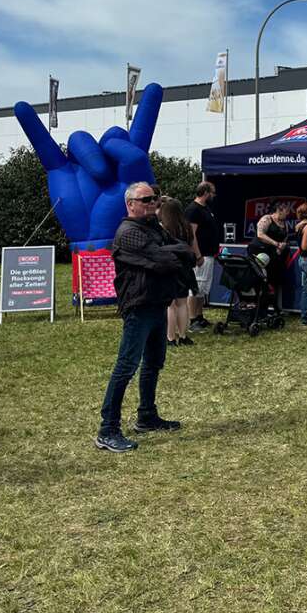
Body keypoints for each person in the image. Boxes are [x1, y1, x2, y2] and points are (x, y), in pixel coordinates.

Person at [97, 182, 193, 453]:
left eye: (155, 199)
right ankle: (107, 429)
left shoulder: (154, 228)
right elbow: (165, 260)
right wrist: (172, 256)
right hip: (139, 307)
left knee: (153, 363)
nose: (152, 203)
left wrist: (172, 255)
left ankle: (146, 416)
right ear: (130, 204)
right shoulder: (128, 232)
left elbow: (183, 250)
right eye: (146, 199)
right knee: (126, 367)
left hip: (158, 304)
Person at [158, 197, 199, 347]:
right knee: (182, 303)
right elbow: (193, 244)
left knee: (170, 305)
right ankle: (183, 336)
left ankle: (170, 338)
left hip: (168, 267)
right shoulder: (186, 226)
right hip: (185, 268)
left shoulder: (162, 227)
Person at [184, 182, 220, 333]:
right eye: (212, 193)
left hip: (209, 254)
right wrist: (198, 255)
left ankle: (199, 316)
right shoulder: (193, 209)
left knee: (202, 289)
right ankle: (192, 320)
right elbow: (191, 235)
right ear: (205, 192)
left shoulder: (205, 208)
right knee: (195, 287)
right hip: (200, 255)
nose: (214, 196)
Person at [249, 200, 294, 299]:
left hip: (274, 255)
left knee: (274, 279)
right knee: (260, 278)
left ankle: (273, 306)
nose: (287, 214)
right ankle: (256, 303)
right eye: (286, 212)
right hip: (259, 252)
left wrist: (282, 246)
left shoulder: (284, 224)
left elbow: (285, 239)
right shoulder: (267, 218)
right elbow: (260, 235)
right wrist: (276, 244)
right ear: (279, 210)